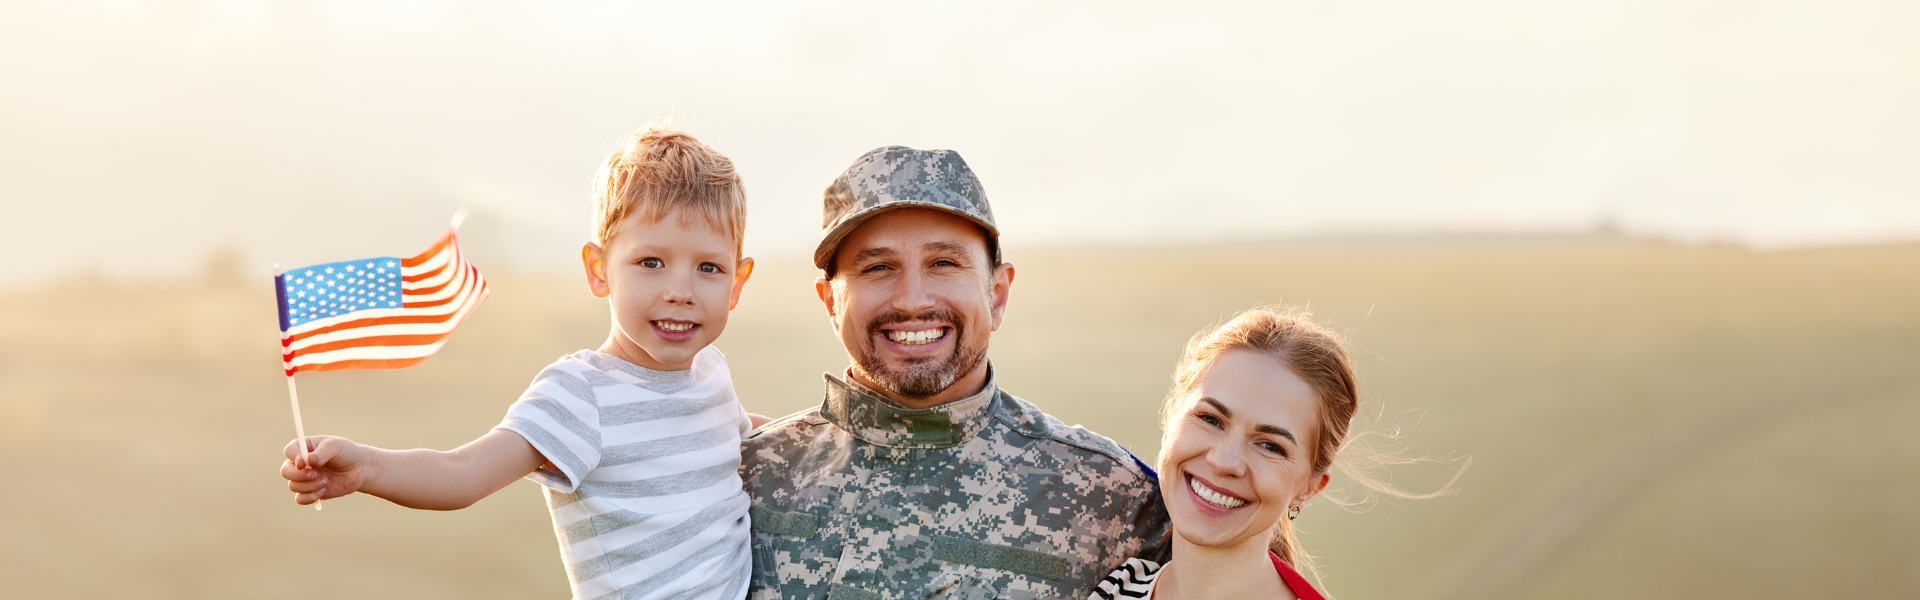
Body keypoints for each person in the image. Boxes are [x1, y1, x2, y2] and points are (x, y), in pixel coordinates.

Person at [278, 126, 764, 600]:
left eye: (708, 268)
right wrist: (366, 467)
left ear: (737, 283)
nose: (680, 292)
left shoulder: (711, 373)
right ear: (599, 270)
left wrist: (818, 426)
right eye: (651, 263)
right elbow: (464, 472)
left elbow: (735, 434)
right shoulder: (580, 393)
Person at [740, 146, 1172, 599]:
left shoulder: (1115, 499)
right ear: (830, 303)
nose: (912, 299)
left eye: (944, 263)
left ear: (997, 294)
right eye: (877, 267)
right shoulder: (743, 478)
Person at [1090, 307, 1431, 600]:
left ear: (1309, 487)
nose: (1224, 462)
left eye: (1270, 446)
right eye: (1210, 419)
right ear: (1170, 417)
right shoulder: (1116, 587)